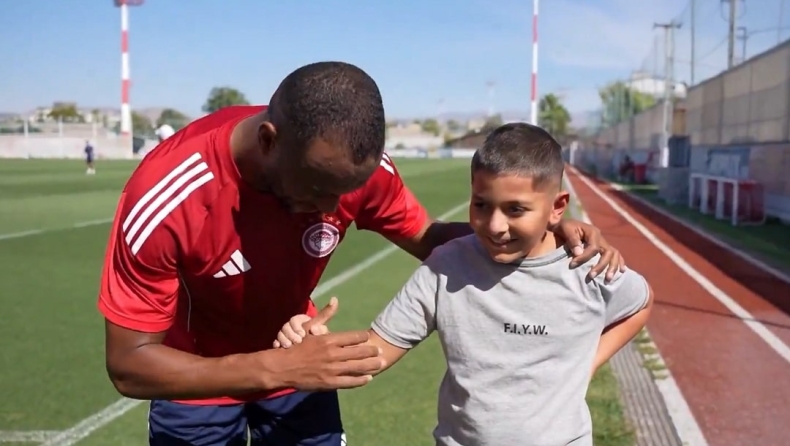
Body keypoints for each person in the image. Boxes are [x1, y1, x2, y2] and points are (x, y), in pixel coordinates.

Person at [97, 62, 626, 446]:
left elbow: (431, 239)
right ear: (269, 141)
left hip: (300, 369)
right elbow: (129, 366)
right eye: (317, 190)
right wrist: (274, 366)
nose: (333, 209)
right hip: (197, 384)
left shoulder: (349, 169)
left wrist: (545, 234)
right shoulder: (166, 197)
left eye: (346, 193)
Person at [277, 123, 653, 446]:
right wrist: (318, 350)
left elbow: (641, 302)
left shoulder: (587, 267)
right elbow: (376, 351)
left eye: (516, 209)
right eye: (481, 205)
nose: (495, 226)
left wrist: (587, 364)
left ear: (557, 207)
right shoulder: (447, 266)